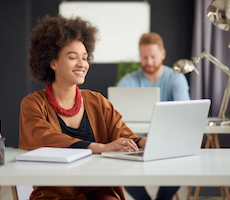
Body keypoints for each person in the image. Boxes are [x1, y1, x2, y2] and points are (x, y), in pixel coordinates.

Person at [19, 15, 147, 200]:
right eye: (72, 57)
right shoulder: (33, 103)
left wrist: (147, 143)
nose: (82, 64)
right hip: (55, 193)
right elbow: (42, 137)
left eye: (85, 58)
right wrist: (100, 147)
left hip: (98, 188)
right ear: (53, 62)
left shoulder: (97, 101)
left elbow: (125, 135)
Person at [117, 33, 190, 200]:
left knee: (180, 166)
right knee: (121, 168)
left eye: (153, 57)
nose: (149, 62)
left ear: (163, 54)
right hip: (136, 145)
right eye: (144, 57)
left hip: (169, 143)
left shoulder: (176, 78)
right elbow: (115, 114)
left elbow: (184, 114)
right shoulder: (128, 81)